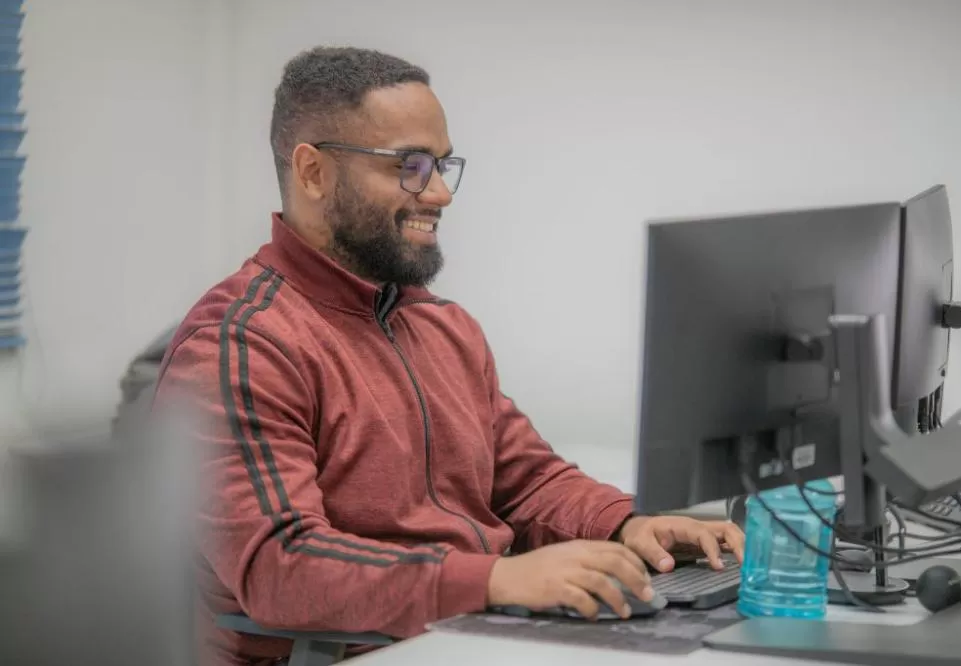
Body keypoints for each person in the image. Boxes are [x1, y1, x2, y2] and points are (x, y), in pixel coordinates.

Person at [154, 46, 745, 665]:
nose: (439, 193)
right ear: (312, 173)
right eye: (409, 165)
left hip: (464, 635)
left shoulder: (442, 325)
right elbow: (282, 564)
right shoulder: (241, 344)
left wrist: (627, 524)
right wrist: (493, 581)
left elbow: (527, 480)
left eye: (440, 164)